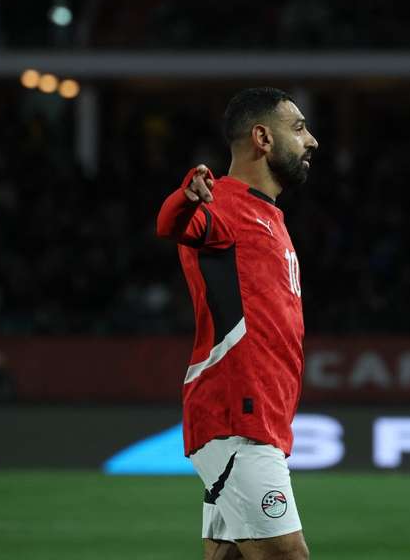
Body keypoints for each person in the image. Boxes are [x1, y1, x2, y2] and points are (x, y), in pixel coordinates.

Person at [156, 87, 318, 560]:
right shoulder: (222, 205)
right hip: (237, 418)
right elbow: (172, 225)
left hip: (260, 418)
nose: (311, 140)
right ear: (262, 138)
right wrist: (186, 197)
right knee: (287, 555)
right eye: (299, 128)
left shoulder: (268, 215)